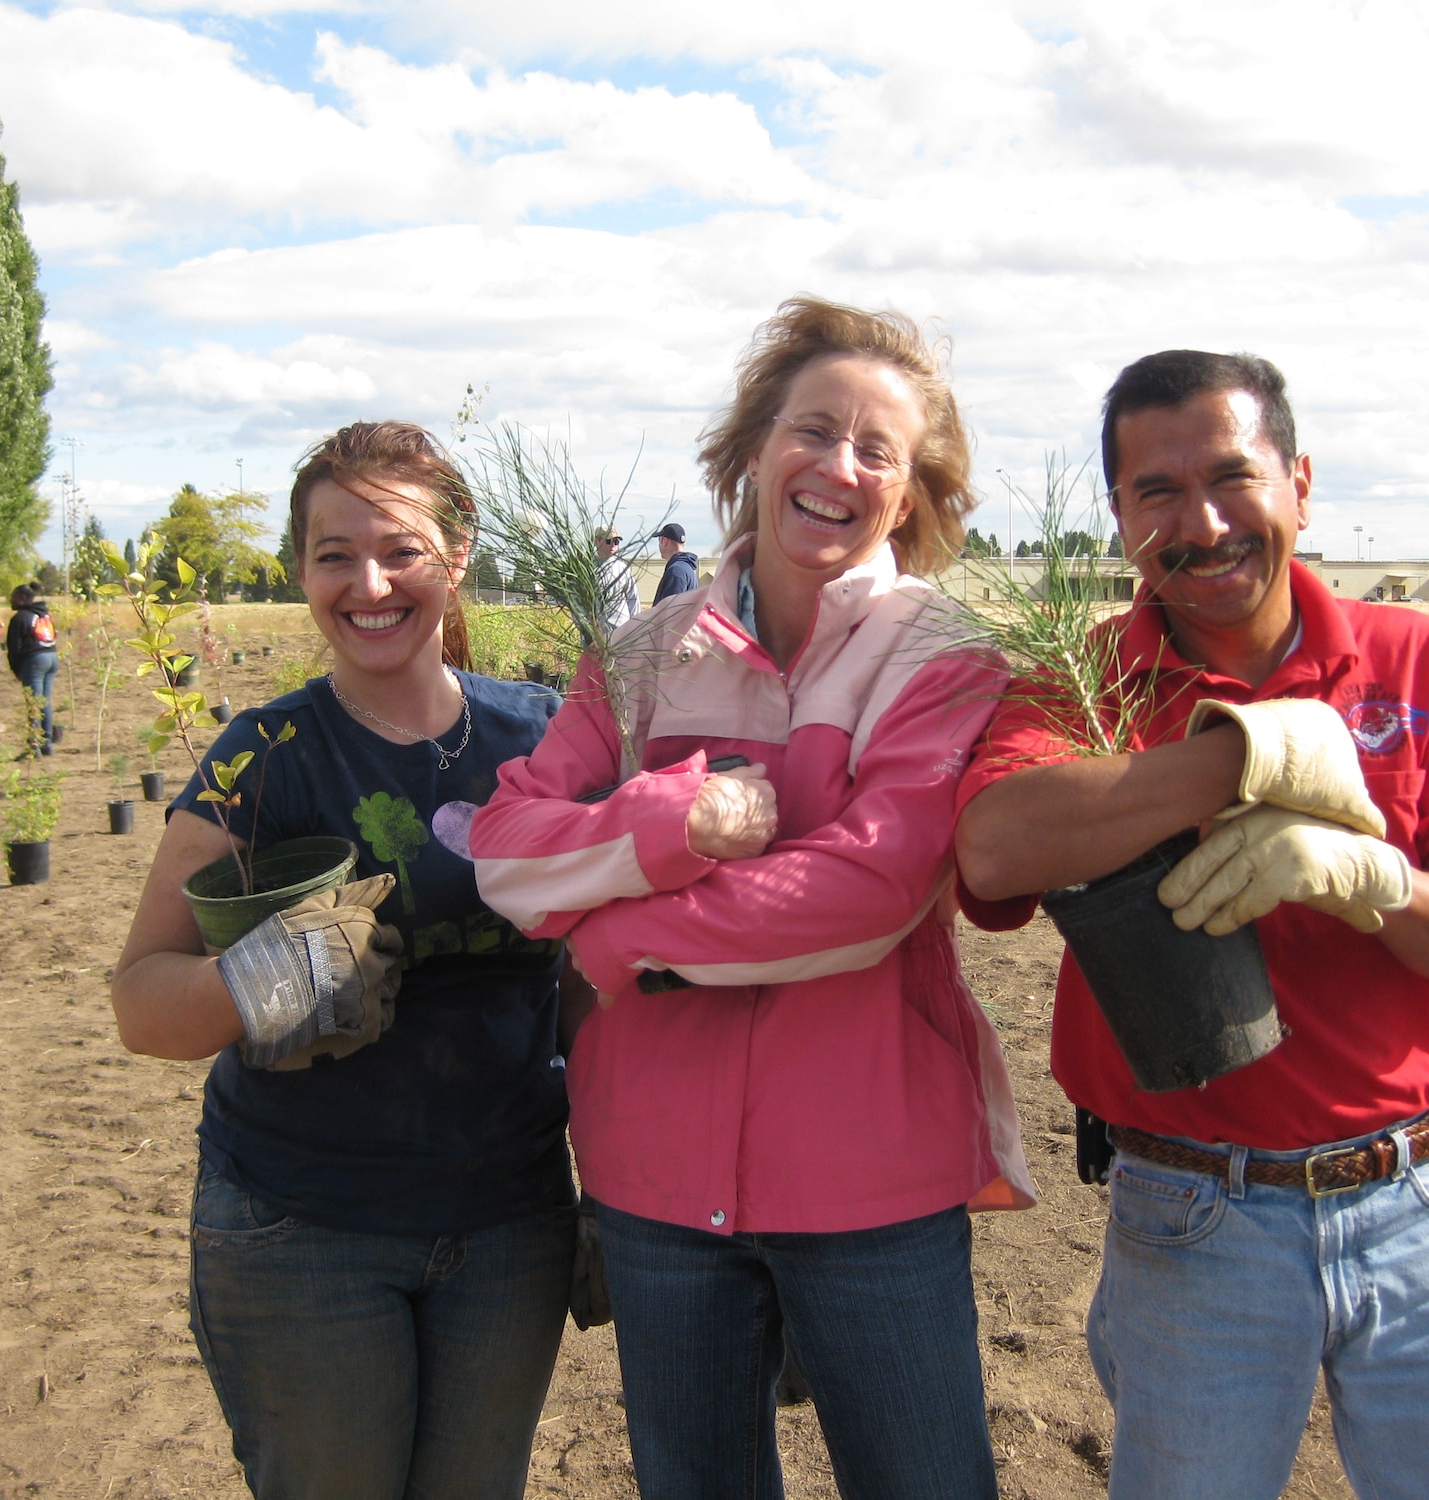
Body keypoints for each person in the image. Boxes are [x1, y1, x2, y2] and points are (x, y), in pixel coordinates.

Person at [953, 350, 1429, 1500]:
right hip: (1192, 1212)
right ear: (1119, 517)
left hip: (1420, 1198)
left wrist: (1360, 878)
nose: (1203, 522)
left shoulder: (1420, 664)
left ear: (1299, 482)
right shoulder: (1086, 682)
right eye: (1156, 493)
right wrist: (1250, 755)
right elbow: (993, 847)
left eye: (1234, 477)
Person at [471, 297, 1033, 1500]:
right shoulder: (639, 655)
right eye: (811, 429)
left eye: (877, 450)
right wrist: (672, 823)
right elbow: (507, 858)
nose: (837, 466)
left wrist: (619, 933)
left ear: (912, 491)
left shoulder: (939, 652)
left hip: (867, 1178)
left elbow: (870, 888)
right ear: (750, 449)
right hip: (652, 1185)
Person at [109, 420, 577, 1499]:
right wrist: (258, 976)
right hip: (299, 1229)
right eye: (333, 555)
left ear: (457, 556)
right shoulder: (262, 761)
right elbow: (139, 1002)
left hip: (508, 1225)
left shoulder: (544, 742)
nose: (368, 583)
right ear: (300, 571)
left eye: (400, 550)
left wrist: (623, 1177)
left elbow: (582, 988)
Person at [5, 583, 59, 754]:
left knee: (33, 704)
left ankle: (34, 747)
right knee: (45, 702)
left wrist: (17, 670)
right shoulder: (44, 615)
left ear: (22, 598)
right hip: (52, 657)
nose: (10, 600)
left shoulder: (20, 618)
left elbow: (14, 647)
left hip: (34, 661)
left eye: (13, 596)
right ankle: (47, 744)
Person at [593, 527, 639, 631]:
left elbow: (633, 599)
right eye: (609, 541)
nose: (613, 545)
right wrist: (586, 631)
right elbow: (577, 603)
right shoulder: (587, 568)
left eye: (616, 542)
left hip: (622, 631)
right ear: (597, 540)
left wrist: (634, 628)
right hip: (596, 634)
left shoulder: (623, 568)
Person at [650, 522, 700, 604]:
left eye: (659, 540)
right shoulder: (688, 567)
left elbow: (670, 611)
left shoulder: (676, 570)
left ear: (664, 541)